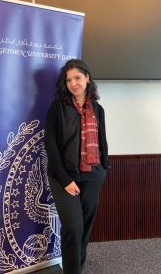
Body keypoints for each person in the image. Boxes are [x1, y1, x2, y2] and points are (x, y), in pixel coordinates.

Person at [44, 59, 109, 274]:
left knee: (85, 228)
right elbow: (50, 145)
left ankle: (76, 268)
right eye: (69, 79)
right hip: (63, 176)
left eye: (77, 78)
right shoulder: (58, 107)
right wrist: (65, 179)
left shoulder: (98, 109)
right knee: (73, 227)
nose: (73, 83)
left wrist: (104, 168)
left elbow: (102, 141)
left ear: (87, 78)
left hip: (92, 175)